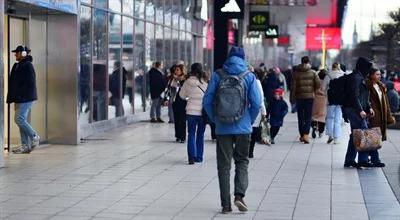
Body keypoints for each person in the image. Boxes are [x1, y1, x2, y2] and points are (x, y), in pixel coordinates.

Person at [203, 46, 262, 214]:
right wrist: (248, 120)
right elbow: (257, 103)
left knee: (224, 166)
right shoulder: (249, 76)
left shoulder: (218, 75)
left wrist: (216, 119)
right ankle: (239, 196)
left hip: (222, 128)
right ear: (243, 58)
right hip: (243, 128)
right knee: (242, 161)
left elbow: (207, 101)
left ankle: (226, 205)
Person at [342, 57, 374, 168]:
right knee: (363, 133)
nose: (369, 70)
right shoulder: (356, 78)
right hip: (353, 109)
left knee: (355, 134)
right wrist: (360, 110)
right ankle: (363, 160)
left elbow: (363, 97)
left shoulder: (360, 77)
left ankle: (350, 160)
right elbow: (354, 97)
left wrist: (368, 107)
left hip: (355, 109)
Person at [7, 46, 40, 154]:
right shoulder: (17, 65)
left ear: (24, 53)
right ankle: (25, 145)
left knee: (19, 119)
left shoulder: (28, 65)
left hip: (25, 98)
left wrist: (21, 95)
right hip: (18, 98)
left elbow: (30, 83)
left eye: (17, 53)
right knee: (21, 121)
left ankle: (34, 136)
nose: (15, 54)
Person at [179, 63, 208, 164]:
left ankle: (191, 157)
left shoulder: (187, 82)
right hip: (202, 112)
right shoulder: (205, 82)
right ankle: (199, 157)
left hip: (191, 111)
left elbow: (182, 96)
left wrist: (188, 96)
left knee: (191, 134)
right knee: (200, 135)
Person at [366, 68, 395, 167]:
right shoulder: (368, 86)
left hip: (380, 116)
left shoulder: (380, 86)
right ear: (371, 75)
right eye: (377, 74)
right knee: (373, 138)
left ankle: (369, 158)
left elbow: (385, 103)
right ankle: (375, 159)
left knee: (374, 138)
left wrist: (388, 116)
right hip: (372, 116)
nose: (380, 76)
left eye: (379, 74)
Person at [290, 56, 320, 144]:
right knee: (308, 116)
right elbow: (318, 84)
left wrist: (292, 98)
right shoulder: (313, 73)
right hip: (309, 98)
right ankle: (306, 135)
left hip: (299, 97)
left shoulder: (296, 73)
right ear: (308, 62)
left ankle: (302, 134)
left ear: (301, 61)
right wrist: (312, 90)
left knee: (300, 117)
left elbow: (293, 87)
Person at [323, 63, 344, 144]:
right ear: (339, 67)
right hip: (340, 100)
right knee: (338, 119)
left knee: (329, 118)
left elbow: (323, 88)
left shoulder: (328, 75)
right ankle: (336, 138)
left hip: (330, 99)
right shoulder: (343, 74)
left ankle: (330, 135)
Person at [166, 64, 187, 143]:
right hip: (174, 101)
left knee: (182, 120)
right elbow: (168, 89)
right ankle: (177, 135)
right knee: (176, 119)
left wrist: (179, 80)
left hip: (183, 101)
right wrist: (166, 99)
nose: (176, 71)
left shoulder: (185, 80)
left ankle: (183, 136)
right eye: (175, 70)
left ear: (182, 71)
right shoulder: (172, 79)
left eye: (178, 70)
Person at [249, 68, 267, 158]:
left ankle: (245, 150)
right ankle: (250, 151)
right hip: (256, 110)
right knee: (253, 131)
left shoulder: (242, 80)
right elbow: (260, 98)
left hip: (244, 111)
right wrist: (264, 111)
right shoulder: (257, 82)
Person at [311, 69, 328, 139]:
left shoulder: (316, 82)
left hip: (315, 99)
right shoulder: (326, 82)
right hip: (324, 100)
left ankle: (314, 126)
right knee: (322, 117)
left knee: (314, 115)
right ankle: (321, 132)